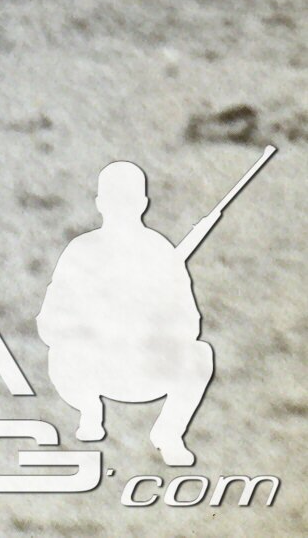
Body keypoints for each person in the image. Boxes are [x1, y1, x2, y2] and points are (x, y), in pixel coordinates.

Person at [36, 160, 220, 470]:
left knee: (200, 354)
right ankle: (89, 411)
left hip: (143, 369)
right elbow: (49, 324)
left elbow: (189, 325)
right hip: (92, 370)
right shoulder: (82, 250)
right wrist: (95, 324)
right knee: (61, 353)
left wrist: (150, 320)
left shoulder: (160, 252)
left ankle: (168, 433)